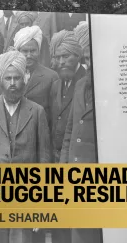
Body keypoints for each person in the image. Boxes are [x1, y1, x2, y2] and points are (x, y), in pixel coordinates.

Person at [0, 50, 50, 243]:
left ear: (24, 80)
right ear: (2, 80)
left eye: (17, 78)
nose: (12, 83)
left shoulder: (37, 112)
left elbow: (45, 160)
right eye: (8, 78)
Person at [59, 25, 102, 243]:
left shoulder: (108, 89)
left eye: (92, 57)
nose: (89, 63)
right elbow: (69, 132)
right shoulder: (79, 86)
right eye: (86, 59)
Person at [49, 30, 86, 162]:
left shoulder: (86, 82)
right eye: (57, 57)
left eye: (65, 56)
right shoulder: (55, 85)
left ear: (77, 55)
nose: (61, 62)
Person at [13, 25, 59, 125]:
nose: (29, 55)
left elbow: (55, 115)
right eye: (25, 51)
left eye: (33, 51)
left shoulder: (51, 77)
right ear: (18, 52)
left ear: (39, 51)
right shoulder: (10, 75)